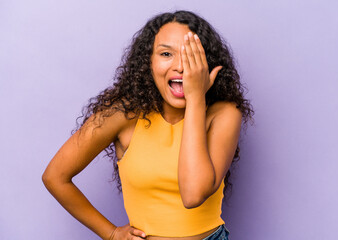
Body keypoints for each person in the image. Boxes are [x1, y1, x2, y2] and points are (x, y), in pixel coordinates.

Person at [42, 10, 254, 240]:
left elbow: (193, 195)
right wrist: (111, 233)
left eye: (191, 55)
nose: (181, 67)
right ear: (148, 63)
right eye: (166, 54)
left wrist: (196, 99)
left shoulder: (224, 113)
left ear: (206, 63)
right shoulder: (123, 114)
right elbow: (55, 177)